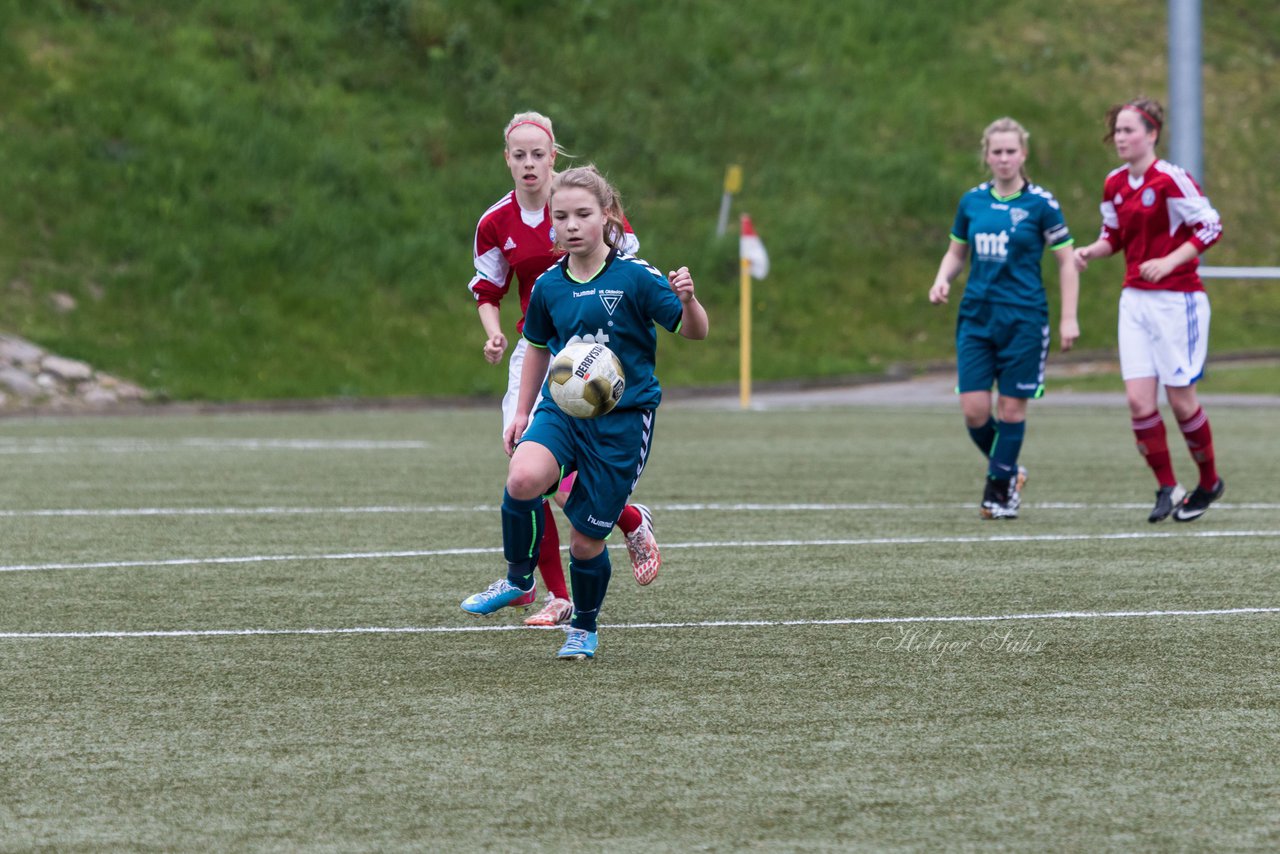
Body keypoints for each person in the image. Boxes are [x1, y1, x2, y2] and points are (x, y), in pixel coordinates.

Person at [460, 165, 709, 660]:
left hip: (621, 422)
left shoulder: (637, 278)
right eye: (560, 217)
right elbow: (534, 347)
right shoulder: (550, 285)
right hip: (561, 410)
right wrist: (523, 413)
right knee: (523, 478)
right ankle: (517, 577)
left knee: (585, 543)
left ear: (607, 217)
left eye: (582, 214)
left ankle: (585, 627)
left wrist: (690, 300)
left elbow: (695, 330)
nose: (570, 225)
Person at [466, 112, 662, 628]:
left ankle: (624, 518)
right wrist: (492, 330)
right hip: (539, 350)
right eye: (518, 154)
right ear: (505, 159)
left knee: (570, 475)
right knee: (526, 469)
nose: (528, 163)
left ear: (554, 155)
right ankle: (554, 593)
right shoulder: (496, 221)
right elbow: (488, 289)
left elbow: (629, 271)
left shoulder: (585, 202)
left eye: (538, 154)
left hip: (595, 355)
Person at [1073, 98, 1225, 523]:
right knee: (1139, 403)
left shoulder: (1172, 179)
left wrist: (1171, 261)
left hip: (1178, 300)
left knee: (1180, 403)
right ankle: (1167, 486)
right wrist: (1092, 250)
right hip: (1134, 301)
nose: (1120, 138)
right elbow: (1113, 236)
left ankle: (1209, 482)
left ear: (1152, 133)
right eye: (1116, 131)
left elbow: (1211, 225)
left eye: (1128, 130)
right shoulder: (1114, 183)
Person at [928, 117, 1080, 519]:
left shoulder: (1041, 205)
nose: (1004, 158)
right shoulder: (972, 202)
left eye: (1011, 151)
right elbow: (956, 252)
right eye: (996, 152)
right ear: (987, 156)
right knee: (974, 410)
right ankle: (1010, 469)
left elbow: (1066, 261)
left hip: (1025, 320)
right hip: (977, 317)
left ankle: (999, 493)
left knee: (1012, 410)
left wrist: (1069, 318)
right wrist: (942, 279)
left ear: (1023, 154)